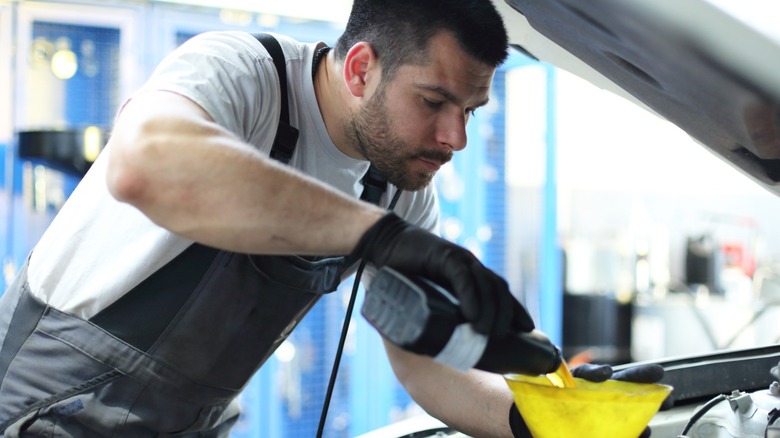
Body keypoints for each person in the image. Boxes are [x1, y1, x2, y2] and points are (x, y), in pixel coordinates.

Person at [0, 0, 662, 436]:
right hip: (47, 410)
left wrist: (540, 421)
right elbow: (143, 166)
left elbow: (424, 366)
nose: (455, 138)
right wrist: (378, 236)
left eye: (469, 111)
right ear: (361, 68)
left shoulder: (397, 187)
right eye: (433, 101)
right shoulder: (243, 75)